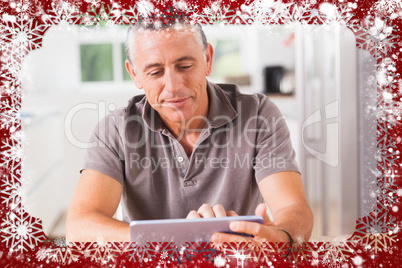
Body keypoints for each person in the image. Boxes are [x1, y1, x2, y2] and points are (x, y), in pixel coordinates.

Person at [66, 18, 313, 245]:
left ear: (208, 59)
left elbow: (293, 209)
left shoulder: (259, 115)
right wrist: (180, 235)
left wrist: (283, 238)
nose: (173, 87)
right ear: (134, 74)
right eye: (155, 72)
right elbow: (79, 227)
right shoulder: (115, 129)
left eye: (184, 66)